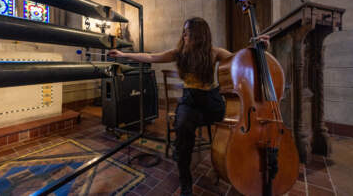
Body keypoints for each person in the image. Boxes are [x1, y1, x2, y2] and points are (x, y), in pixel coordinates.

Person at [108, 17, 269, 196]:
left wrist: (259, 49)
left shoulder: (214, 52)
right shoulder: (179, 53)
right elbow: (151, 56)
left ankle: (230, 161)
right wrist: (123, 55)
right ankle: (185, 179)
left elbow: (241, 59)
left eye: (188, 31)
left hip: (211, 102)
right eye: (184, 31)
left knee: (203, 124)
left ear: (199, 35)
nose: (184, 35)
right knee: (184, 125)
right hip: (190, 101)